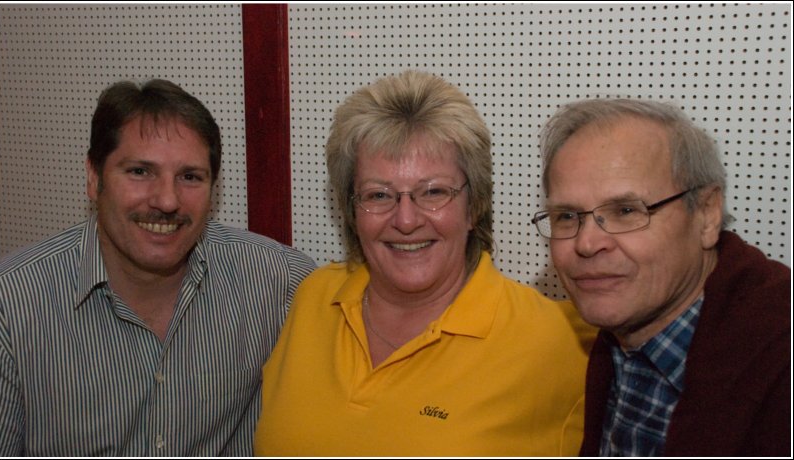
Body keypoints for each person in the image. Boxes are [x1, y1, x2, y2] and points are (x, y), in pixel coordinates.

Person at [253, 70, 593, 456]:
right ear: (352, 211)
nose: (406, 220)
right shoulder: (314, 297)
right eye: (379, 195)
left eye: (434, 192)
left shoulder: (560, 341)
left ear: (473, 206)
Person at [0, 79, 316, 456]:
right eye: (139, 172)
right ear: (93, 177)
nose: (167, 200)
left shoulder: (279, 281)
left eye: (190, 177)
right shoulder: (9, 306)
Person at [532, 98, 791, 456]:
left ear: (706, 214)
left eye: (625, 210)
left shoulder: (780, 367)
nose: (587, 243)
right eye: (566, 216)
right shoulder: (617, 341)